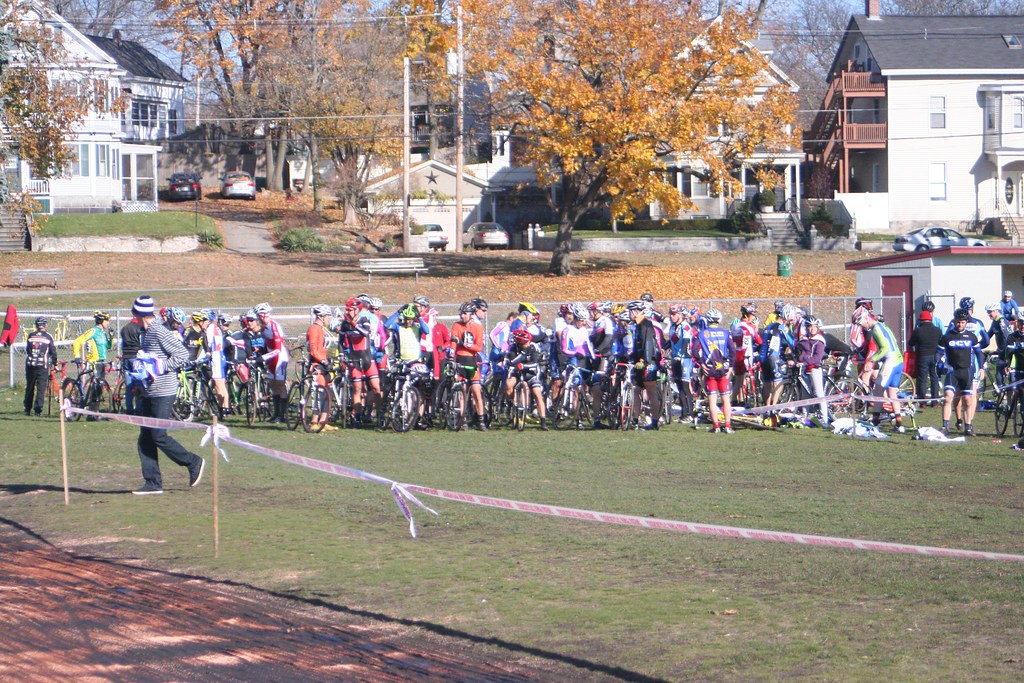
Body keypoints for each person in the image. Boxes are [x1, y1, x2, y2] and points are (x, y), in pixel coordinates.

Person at [128, 295, 205, 495]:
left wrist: (162, 367)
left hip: (164, 391)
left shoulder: (159, 331)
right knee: (145, 437)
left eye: (134, 313)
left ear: (140, 314)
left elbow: (181, 355)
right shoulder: (145, 333)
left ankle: (193, 461)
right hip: (148, 391)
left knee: (158, 435)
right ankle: (153, 483)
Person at [855, 307, 906, 433]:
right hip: (899, 361)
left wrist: (871, 360)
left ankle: (876, 421)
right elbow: (893, 341)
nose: (863, 327)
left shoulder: (876, 329)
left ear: (867, 318)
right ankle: (899, 423)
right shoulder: (883, 326)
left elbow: (884, 349)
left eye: (862, 324)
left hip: (891, 361)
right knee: (892, 393)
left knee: (878, 390)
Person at [937, 309, 981, 436]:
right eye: (958, 322)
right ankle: (945, 426)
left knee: (967, 400)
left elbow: (979, 353)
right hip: (952, 372)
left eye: (962, 322)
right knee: (948, 398)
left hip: (966, 371)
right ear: (954, 321)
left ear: (966, 322)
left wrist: (981, 368)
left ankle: (968, 427)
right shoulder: (947, 337)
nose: (960, 324)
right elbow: (939, 353)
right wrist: (938, 363)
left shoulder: (972, 337)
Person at [693, 307, 735, 433]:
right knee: (725, 398)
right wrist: (731, 365)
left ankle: (716, 426)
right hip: (723, 369)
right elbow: (732, 350)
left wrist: (701, 363)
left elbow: (694, 350)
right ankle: (727, 426)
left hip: (709, 369)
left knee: (712, 398)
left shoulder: (701, 334)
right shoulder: (726, 333)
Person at [450, 301, 488, 430]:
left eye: (465, 314)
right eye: (461, 314)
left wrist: (464, 343)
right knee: (462, 391)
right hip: (460, 360)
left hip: (472, 361)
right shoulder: (457, 326)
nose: (462, 316)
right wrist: (451, 356)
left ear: (471, 314)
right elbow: (453, 343)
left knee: (476, 391)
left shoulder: (477, 327)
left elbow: (478, 347)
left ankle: (481, 419)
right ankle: (463, 418)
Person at [628, 300, 663, 430]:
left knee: (651, 392)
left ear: (635, 311)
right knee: (636, 390)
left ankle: (655, 421)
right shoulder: (637, 325)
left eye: (630, 311)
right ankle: (635, 420)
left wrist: (645, 361)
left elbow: (648, 345)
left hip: (648, 364)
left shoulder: (646, 325)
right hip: (639, 363)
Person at [505, 328, 549, 429]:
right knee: (508, 384)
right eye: (526, 342)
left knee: (537, 393)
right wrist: (522, 355)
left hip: (532, 374)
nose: (529, 343)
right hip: (518, 372)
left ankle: (543, 421)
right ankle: (512, 405)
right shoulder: (514, 348)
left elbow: (535, 363)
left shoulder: (534, 347)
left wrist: (524, 366)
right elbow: (512, 362)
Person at [255, 302, 290, 423]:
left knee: (280, 385)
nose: (258, 319)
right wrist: (261, 352)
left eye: (259, 316)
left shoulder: (274, 327)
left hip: (279, 358)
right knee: (272, 385)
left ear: (264, 315)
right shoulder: (264, 328)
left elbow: (277, 349)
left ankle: (282, 415)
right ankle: (275, 414)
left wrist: (263, 357)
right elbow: (266, 345)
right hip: (271, 359)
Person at [306, 304, 335, 431]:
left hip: (324, 363)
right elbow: (313, 351)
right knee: (319, 393)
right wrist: (323, 361)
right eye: (328, 316)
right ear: (321, 316)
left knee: (328, 393)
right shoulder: (314, 329)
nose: (329, 318)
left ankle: (323, 421)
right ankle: (314, 422)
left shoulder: (322, 329)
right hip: (317, 365)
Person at [794, 317, 828, 424]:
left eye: (814, 326)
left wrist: (803, 362)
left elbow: (817, 358)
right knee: (805, 394)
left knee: (819, 394)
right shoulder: (804, 340)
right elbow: (800, 352)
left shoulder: (819, 341)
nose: (812, 328)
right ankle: (805, 415)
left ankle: (824, 418)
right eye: (810, 326)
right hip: (804, 370)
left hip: (814, 369)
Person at [23, 317, 57, 416]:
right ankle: (38, 410)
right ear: (45, 325)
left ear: (36, 325)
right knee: (41, 388)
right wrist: (54, 364)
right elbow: (53, 351)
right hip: (43, 365)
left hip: (30, 364)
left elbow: (28, 350)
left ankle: (27, 408)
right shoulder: (48, 337)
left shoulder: (31, 335)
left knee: (30, 387)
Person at [908, 309, 942, 406]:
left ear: (921, 320)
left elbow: (911, 343)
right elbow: (941, 342)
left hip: (922, 356)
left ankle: (922, 402)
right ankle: (935, 401)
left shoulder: (918, 331)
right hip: (935, 356)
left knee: (922, 379)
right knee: (934, 378)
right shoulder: (937, 330)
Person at [119, 312, 144, 415]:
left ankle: (129, 409)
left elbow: (122, 344)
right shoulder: (139, 328)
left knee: (129, 386)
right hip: (136, 358)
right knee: (138, 385)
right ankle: (138, 409)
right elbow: (142, 343)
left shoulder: (124, 329)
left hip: (126, 358)